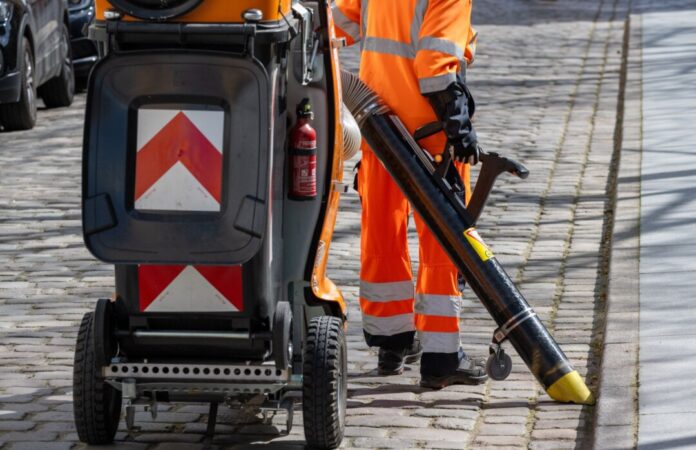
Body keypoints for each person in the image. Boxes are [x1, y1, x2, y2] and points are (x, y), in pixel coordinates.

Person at [332, 0, 488, 388]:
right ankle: (441, 356)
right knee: (444, 246)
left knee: (381, 237)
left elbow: (335, 25)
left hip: (379, 126)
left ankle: (392, 342)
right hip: (429, 137)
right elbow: (435, 66)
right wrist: (459, 127)